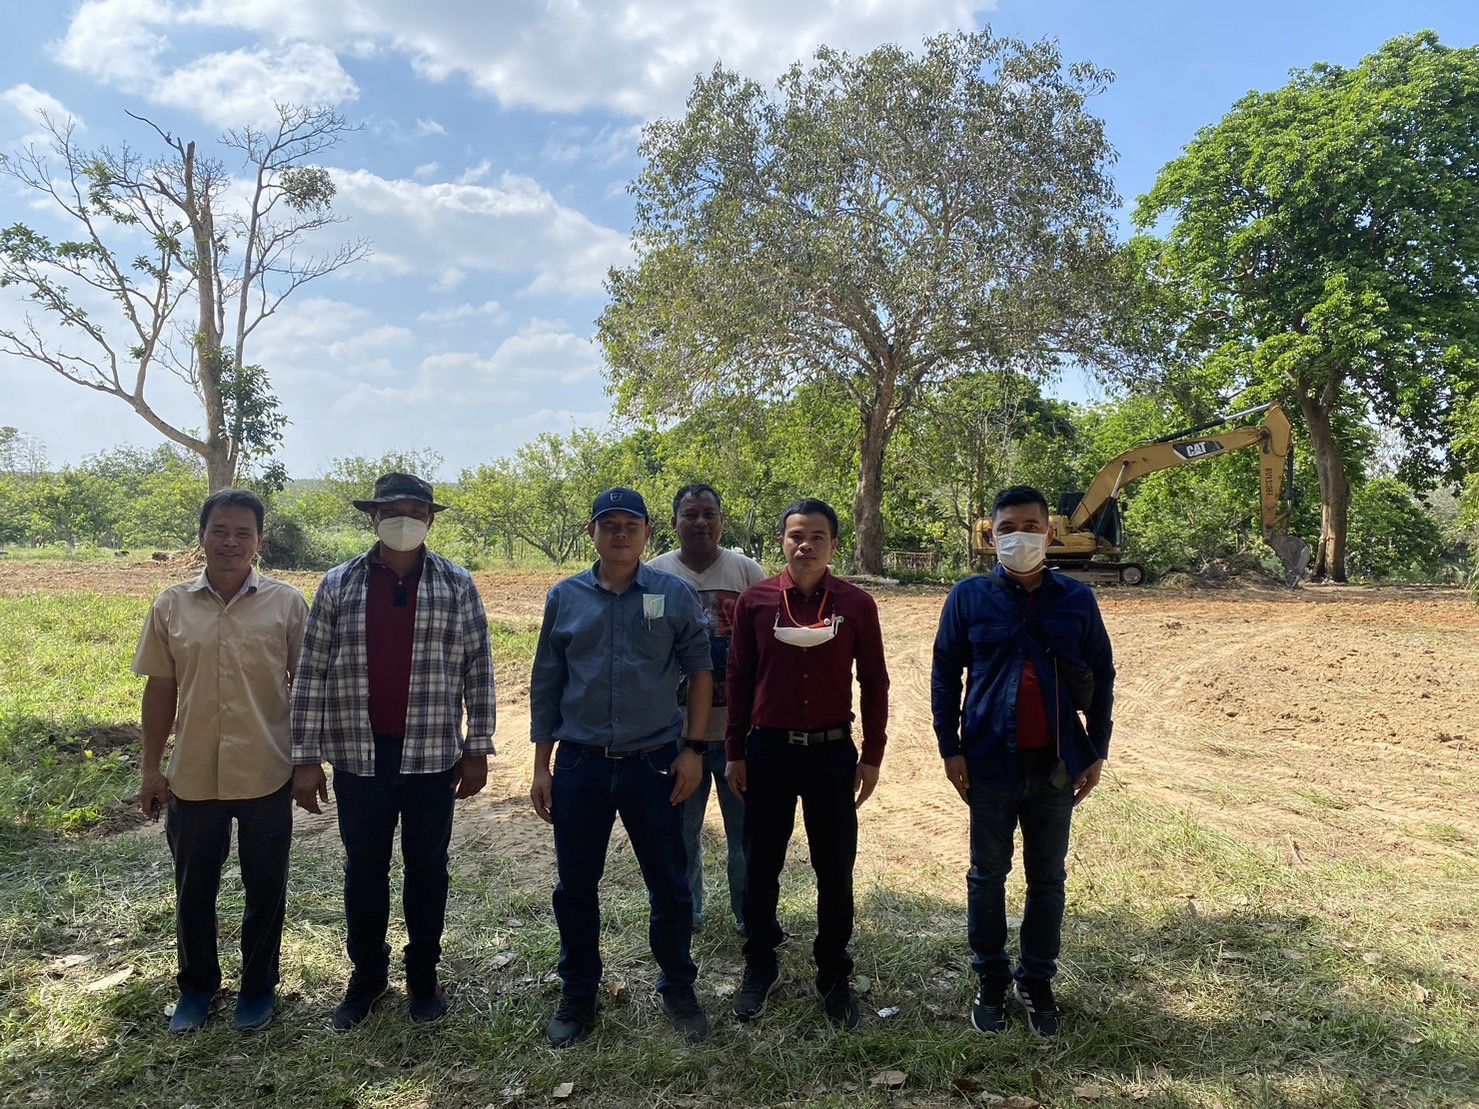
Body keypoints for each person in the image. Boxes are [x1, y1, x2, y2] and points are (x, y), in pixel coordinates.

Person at [291, 472, 496, 1030]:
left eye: (416, 512)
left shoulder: (457, 584)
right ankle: (368, 975)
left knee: (427, 868)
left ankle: (423, 974)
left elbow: (478, 668)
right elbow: (311, 672)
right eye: (392, 511)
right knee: (364, 869)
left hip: (433, 755)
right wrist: (305, 757)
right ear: (373, 518)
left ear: (430, 520)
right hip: (359, 754)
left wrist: (477, 747)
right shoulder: (338, 584)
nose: (404, 521)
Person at [529, 487, 715, 1047]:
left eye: (630, 525)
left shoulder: (672, 594)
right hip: (580, 764)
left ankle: (678, 986)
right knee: (575, 887)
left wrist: (693, 749)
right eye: (608, 524)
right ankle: (578, 993)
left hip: (654, 764)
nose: (619, 534)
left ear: (647, 534)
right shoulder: (565, 597)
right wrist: (542, 766)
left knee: (670, 884)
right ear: (592, 533)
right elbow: (547, 682)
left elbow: (700, 671)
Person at [930, 485, 1116, 1038]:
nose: (1020, 536)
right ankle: (990, 977)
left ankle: (1036, 979)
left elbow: (1102, 675)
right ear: (991, 537)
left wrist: (1097, 749)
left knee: (1048, 877)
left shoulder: (1077, 599)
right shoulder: (968, 597)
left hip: (1057, 765)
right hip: (989, 760)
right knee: (987, 875)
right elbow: (945, 674)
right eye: (1008, 528)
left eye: (1031, 527)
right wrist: (949, 746)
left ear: (1050, 534)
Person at [132, 489, 308, 1033]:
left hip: (266, 770)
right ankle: (197, 988)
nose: (230, 542)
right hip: (192, 775)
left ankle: (258, 987)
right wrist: (151, 769)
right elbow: (161, 689)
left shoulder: (287, 604)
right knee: (194, 888)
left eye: (242, 533)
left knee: (265, 887)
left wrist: (308, 762)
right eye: (220, 531)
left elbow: (307, 689)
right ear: (202, 537)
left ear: (259, 541)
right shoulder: (171, 605)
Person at [725, 498, 889, 1031]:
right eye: (796, 535)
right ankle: (760, 963)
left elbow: (875, 682)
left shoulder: (856, 604)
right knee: (761, 863)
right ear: (782, 542)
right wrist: (734, 750)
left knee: (834, 868)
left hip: (831, 753)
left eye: (818, 536)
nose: (806, 545)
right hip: (768, 751)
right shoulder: (755, 602)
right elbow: (738, 679)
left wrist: (872, 754)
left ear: (834, 544)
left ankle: (834, 973)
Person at [647, 483, 766, 935]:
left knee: (745, 838)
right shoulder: (655, 575)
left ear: (721, 520)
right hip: (676, 737)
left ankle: (748, 916)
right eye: (690, 514)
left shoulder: (747, 572)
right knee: (680, 835)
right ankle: (686, 914)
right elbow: (647, 646)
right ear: (674, 522)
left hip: (741, 735)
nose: (700, 522)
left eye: (708, 514)